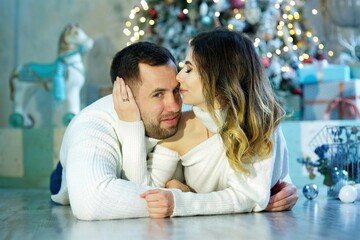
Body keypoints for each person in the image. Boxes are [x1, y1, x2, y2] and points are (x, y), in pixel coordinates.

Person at [50, 41, 297, 220]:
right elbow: (92, 202)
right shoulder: (93, 124)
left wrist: (277, 183)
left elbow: (247, 143)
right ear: (125, 96)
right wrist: (175, 197)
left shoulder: (197, 106)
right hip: (68, 179)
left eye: (176, 90)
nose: (175, 105)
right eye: (158, 94)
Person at [114, 29, 298, 218]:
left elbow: (251, 196)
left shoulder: (260, 124)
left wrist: (182, 201)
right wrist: (131, 125)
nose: (179, 77)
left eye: (189, 69)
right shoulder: (181, 128)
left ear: (218, 76)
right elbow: (140, 193)